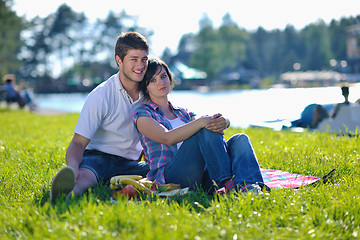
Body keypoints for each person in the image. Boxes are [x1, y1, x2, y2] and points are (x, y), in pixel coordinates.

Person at [133, 58, 267, 194]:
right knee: (202, 130)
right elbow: (167, 137)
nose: (161, 82)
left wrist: (224, 121)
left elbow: (205, 123)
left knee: (240, 139)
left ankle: (251, 187)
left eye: (163, 76)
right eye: (153, 80)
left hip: (203, 176)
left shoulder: (182, 112)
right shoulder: (142, 114)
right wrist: (202, 122)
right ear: (145, 86)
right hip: (171, 178)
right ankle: (228, 184)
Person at [50, 32, 150, 202]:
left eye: (144, 59)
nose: (140, 65)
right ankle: (65, 193)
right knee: (85, 178)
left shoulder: (149, 93)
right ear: (119, 60)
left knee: (162, 170)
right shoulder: (101, 95)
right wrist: (72, 168)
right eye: (133, 59)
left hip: (130, 165)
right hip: (98, 158)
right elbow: (78, 143)